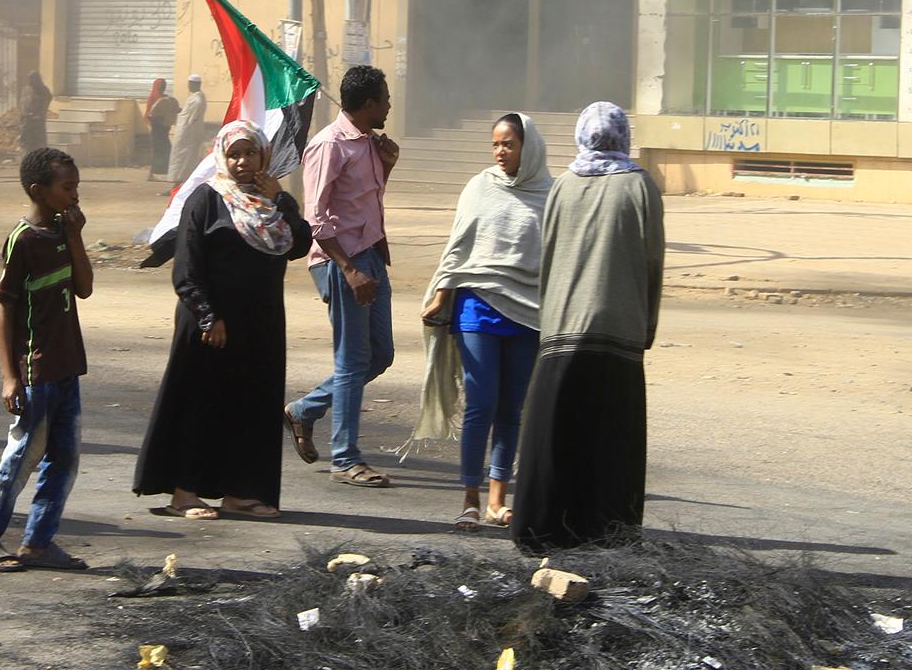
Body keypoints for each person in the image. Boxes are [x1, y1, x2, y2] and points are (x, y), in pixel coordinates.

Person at [134, 121, 312, 519]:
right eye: (234, 154)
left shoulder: (270, 202)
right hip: (210, 323)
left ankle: (240, 493)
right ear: (222, 156)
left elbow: (299, 244)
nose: (242, 162)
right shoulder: (206, 199)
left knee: (251, 407)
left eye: (250, 153)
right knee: (200, 403)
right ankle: (185, 493)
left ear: (264, 156)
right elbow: (187, 266)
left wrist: (282, 199)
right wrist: (207, 317)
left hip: (260, 324)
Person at [511, 102, 664, 553]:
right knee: (610, 438)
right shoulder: (640, 187)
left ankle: (541, 530)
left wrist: (550, 316)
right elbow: (652, 263)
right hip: (620, 331)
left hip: (561, 329)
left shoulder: (563, 186)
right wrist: (646, 326)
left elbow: (550, 256)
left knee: (556, 432)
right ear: (622, 135)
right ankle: (608, 532)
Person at [410, 114, 550, 530]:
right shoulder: (479, 187)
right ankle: (469, 498)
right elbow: (459, 245)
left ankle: (496, 500)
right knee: (481, 403)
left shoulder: (551, 193)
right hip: (478, 304)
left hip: (529, 309)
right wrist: (441, 294)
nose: (500, 152)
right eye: (495, 145)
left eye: (508, 144)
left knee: (512, 409)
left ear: (529, 146)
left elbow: (558, 255)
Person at [0, 146, 94, 572]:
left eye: (76, 187)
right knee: (21, 457)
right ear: (39, 190)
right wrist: (9, 376)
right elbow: (6, 308)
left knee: (64, 457)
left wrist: (75, 235)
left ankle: (38, 542)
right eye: (67, 187)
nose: (75, 195)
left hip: (67, 363)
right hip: (35, 369)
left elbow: (85, 288)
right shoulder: (23, 240)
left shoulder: (62, 232)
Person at [284, 64, 400, 488]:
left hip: (370, 256)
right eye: (385, 99)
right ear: (368, 104)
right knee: (353, 361)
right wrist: (348, 269)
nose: (389, 105)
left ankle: (303, 410)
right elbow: (316, 218)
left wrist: (387, 165)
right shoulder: (327, 146)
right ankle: (346, 458)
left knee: (379, 355)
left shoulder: (369, 143)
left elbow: (365, 200)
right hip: (341, 262)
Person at [165, 74, 208, 187]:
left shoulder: (197, 99)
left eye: (190, 84)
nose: (188, 86)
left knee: (184, 160)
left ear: (195, 84)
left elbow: (192, 118)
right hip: (186, 134)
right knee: (183, 159)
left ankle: (178, 186)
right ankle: (178, 185)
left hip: (188, 135)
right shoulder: (196, 97)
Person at [145, 78, 178, 180]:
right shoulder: (154, 97)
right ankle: (152, 174)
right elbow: (151, 114)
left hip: (162, 129)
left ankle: (161, 173)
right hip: (157, 129)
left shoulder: (164, 99)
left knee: (164, 150)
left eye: (164, 85)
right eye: (162, 85)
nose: (164, 87)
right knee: (159, 151)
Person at [19, 70, 51, 156]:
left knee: (38, 143)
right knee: (26, 143)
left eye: (32, 79)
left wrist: (40, 113)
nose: (30, 81)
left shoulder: (43, 90)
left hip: (37, 122)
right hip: (26, 121)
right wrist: (24, 115)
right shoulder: (26, 89)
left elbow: (47, 100)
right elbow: (23, 103)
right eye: (29, 79)